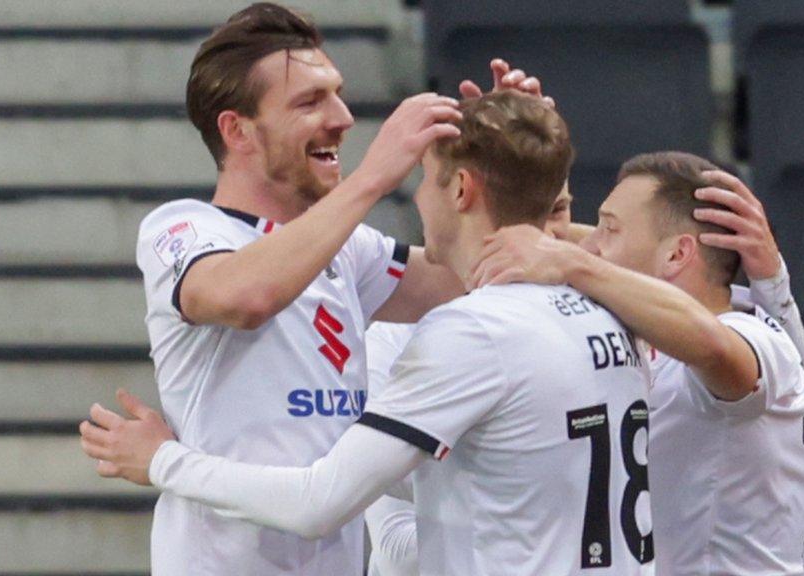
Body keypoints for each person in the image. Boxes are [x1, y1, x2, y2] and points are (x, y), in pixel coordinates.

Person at [82, 90, 677, 575]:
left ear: (463, 190)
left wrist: (163, 461)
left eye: (425, 178)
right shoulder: (612, 308)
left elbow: (320, 502)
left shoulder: (471, 334)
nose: (417, 196)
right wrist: (526, 145)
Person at [78, 3, 548, 574]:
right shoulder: (183, 228)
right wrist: (376, 175)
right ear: (238, 130)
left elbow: (483, 271)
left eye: (338, 93)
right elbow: (246, 298)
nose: (344, 117)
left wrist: (516, 169)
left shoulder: (349, 249)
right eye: (310, 102)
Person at [472, 151, 804, 575]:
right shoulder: (652, 333)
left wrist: (575, 264)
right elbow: (563, 245)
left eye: (609, 228)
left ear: (677, 256)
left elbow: (714, 348)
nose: (589, 244)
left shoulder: (754, 336)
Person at [362, 182, 577, 576]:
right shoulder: (396, 339)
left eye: (560, 210)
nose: (544, 237)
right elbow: (392, 546)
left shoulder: (590, 327)